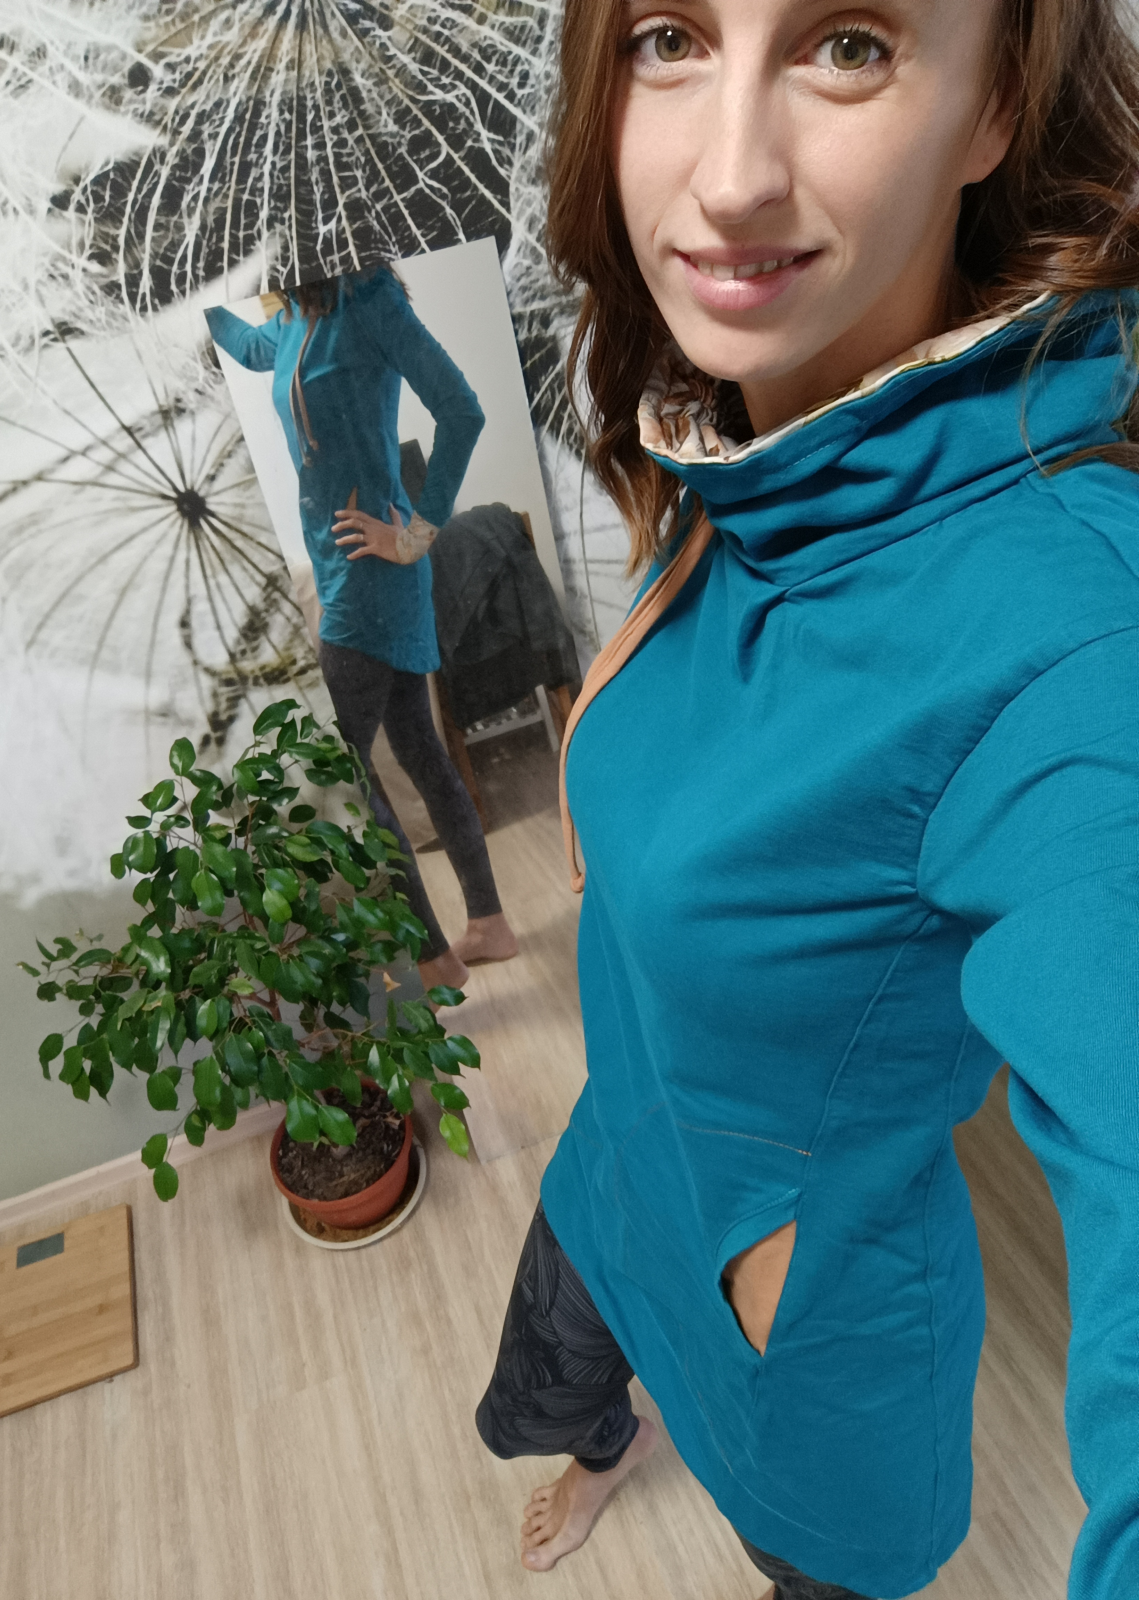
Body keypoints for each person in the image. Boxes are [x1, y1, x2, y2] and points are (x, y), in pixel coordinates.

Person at [475, 0, 1139, 1595]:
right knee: (552, 1385)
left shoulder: (1074, 644)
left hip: (792, 1349)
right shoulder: (744, 434)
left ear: (997, 106)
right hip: (619, 1160)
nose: (729, 179)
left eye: (850, 43)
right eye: (670, 37)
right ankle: (602, 1444)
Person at [205, 268, 518, 991]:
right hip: (342, 571)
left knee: (343, 772)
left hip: (372, 576)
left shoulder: (368, 299)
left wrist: (416, 534)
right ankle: (488, 926)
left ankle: (435, 960)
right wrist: (193, 303)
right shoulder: (289, 318)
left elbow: (462, 411)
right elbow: (251, 349)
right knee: (418, 748)